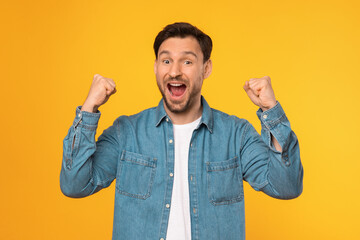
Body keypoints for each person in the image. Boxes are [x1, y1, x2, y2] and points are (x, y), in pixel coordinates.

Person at [60, 22, 303, 240]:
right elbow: (75, 184)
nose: (175, 71)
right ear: (156, 67)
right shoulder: (127, 132)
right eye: (166, 61)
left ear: (206, 69)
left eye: (187, 61)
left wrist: (271, 110)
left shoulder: (236, 135)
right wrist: (89, 109)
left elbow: (286, 187)